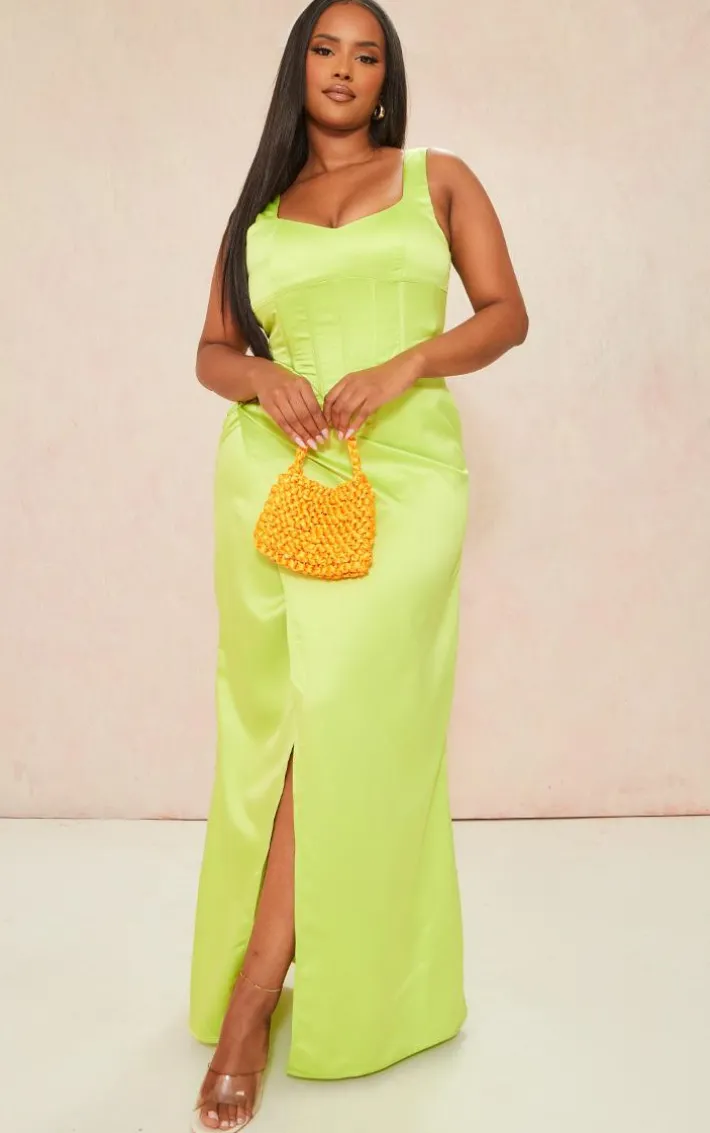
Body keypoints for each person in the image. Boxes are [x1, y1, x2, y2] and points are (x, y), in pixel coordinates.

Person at [189, 0, 528, 1128]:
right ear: (299, 69)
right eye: (325, 50)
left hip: (406, 475)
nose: (343, 69)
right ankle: (278, 972)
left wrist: (407, 364)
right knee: (281, 723)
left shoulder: (438, 178)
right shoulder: (257, 214)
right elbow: (211, 351)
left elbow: (506, 315)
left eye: (366, 54)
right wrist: (261, 378)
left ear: (387, 78)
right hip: (279, 475)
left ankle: (254, 998)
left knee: (347, 714)